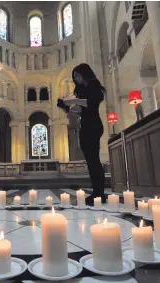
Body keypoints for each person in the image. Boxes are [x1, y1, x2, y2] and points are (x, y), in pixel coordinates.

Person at [58, 63, 106, 205]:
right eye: (74, 77)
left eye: (77, 76)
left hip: (93, 125)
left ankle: (99, 194)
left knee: (94, 161)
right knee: (91, 162)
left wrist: (71, 100)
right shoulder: (83, 90)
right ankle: (97, 193)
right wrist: (66, 109)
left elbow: (91, 103)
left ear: (84, 74)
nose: (76, 79)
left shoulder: (94, 86)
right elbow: (80, 112)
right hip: (85, 125)